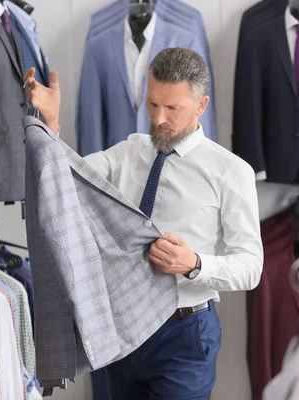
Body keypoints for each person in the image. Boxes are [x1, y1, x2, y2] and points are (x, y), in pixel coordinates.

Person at [24, 47, 264, 399]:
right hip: (120, 329)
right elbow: (67, 179)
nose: (158, 119)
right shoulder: (128, 151)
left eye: (172, 108)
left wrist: (195, 264)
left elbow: (251, 267)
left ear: (201, 106)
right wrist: (51, 126)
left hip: (184, 334)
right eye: (152, 105)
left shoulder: (230, 172)